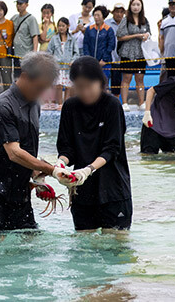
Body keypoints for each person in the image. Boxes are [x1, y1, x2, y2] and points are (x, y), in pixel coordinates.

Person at [0, 52, 74, 234]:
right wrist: (51, 170)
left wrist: (38, 176)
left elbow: (27, 149)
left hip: (20, 192)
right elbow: (14, 153)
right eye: (40, 87)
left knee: (30, 247)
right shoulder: (3, 105)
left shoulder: (34, 104)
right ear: (26, 76)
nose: (42, 93)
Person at [57, 56, 132, 231]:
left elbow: (113, 148)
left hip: (113, 190)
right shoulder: (70, 107)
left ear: (100, 82)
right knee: (83, 250)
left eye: (89, 86)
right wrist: (60, 164)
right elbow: (67, 147)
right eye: (79, 87)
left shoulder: (112, 105)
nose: (85, 92)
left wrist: (88, 169)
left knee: (116, 249)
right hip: (82, 192)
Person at [141, 75, 175, 154]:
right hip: (153, 127)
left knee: (173, 159)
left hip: (171, 133)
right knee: (148, 159)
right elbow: (151, 91)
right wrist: (147, 113)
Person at [117, 0, 151, 112]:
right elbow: (120, 36)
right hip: (127, 53)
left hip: (141, 53)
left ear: (141, 7)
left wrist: (146, 36)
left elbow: (149, 34)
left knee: (140, 79)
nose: (136, 7)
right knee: (126, 78)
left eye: (138, 5)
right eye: (134, 5)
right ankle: (125, 103)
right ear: (130, 6)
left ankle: (141, 102)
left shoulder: (145, 20)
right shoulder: (126, 20)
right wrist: (136, 36)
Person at [47, 17, 79, 107]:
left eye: (63, 26)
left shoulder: (72, 39)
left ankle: (66, 104)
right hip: (57, 67)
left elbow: (76, 53)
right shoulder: (54, 39)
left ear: (68, 26)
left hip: (68, 67)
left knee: (68, 86)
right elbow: (49, 52)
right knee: (58, 85)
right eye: (59, 26)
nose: (61, 28)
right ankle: (60, 104)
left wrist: (73, 61)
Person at [11, 0, 40, 78]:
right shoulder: (14, 18)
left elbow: (35, 36)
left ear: (26, 5)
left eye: (21, 4)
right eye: (17, 3)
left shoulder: (31, 19)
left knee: (27, 78)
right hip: (16, 54)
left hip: (26, 55)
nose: (18, 6)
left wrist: (34, 53)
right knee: (17, 78)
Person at [83, 5, 115, 80]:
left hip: (104, 63)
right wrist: (88, 59)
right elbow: (86, 44)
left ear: (103, 16)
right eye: (95, 15)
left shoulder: (108, 29)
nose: (96, 17)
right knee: (90, 82)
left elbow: (111, 45)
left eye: (98, 15)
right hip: (91, 63)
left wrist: (104, 59)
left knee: (103, 83)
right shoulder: (89, 29)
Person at [105, 3, 126, 98]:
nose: (119, 14)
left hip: (120, 58)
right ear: (113, 12)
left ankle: (116, 103)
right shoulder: (107, 23)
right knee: (104, 83)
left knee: (117, 83)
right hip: (107, 58)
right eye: (117, 11)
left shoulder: (126, 24)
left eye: (121, 12)